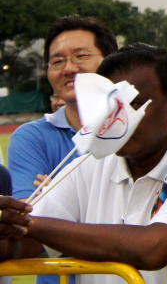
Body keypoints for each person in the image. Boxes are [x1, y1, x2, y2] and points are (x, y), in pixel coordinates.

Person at [0, 44, 167, 284]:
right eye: (109, 107)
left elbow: (152, 248)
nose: (119, 120)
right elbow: (25, 243)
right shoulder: (90, 163)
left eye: (134, 104)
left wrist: (30, 225)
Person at [8, 15, 118, 200]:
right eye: (57, 61)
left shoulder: (138, 131)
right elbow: (27, 218)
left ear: (111, 61)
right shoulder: (32, 138)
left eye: (81, 56)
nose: (68, 69)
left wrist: (61, 196)